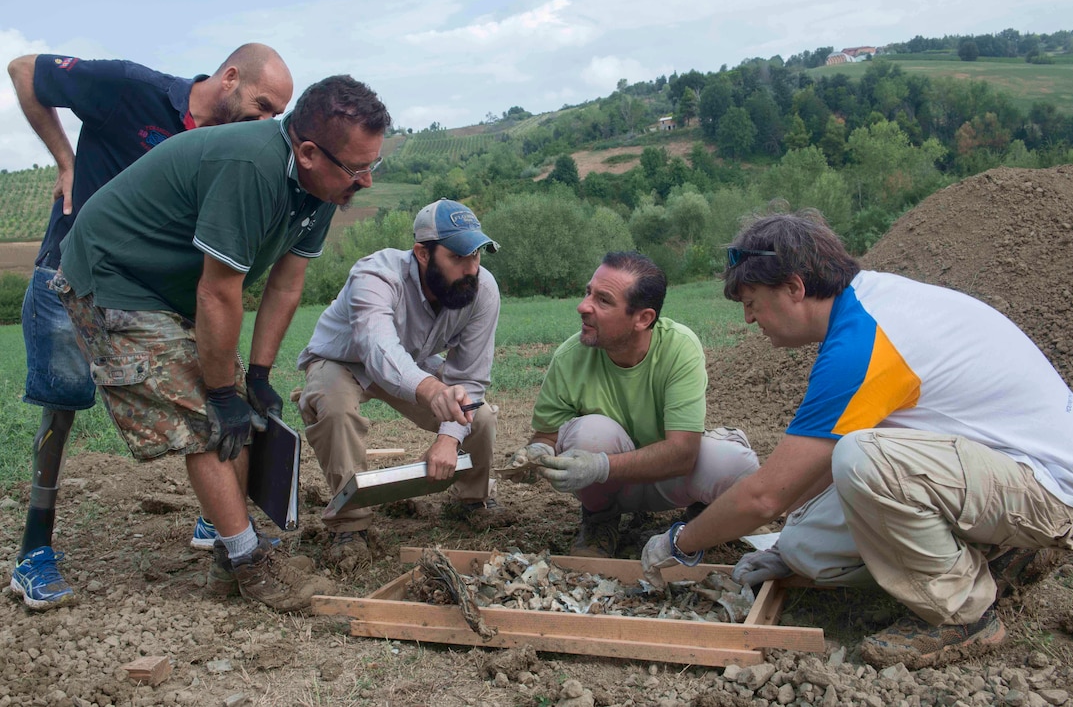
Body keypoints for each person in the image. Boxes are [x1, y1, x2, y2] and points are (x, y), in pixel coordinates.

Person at [640, 211, 1073, 668]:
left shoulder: (865, 339)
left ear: (795, 287)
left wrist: (681, 542)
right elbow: (802, 475)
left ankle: (963, 615)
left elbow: (766, 496)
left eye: (752, 301)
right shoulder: (863, 303)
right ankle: (992, 551)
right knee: (805, 548)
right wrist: (785, 550)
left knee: (863, 457)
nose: (750, 318)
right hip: (995, 468)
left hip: (1052, 486)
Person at [53, 74, 392, 612]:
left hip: (176, 289)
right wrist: (220, 392)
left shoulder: (324, 186)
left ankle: (229, 555)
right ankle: (248, 562)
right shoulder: (251, 169)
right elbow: (218, 292)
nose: (367, 181)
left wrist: (255, 376)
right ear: (307, 152)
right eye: (357, 168)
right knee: (205, 417)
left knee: (240, 409)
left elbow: (286, 283)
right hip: (114, 277)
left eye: (373, 165)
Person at [8, 43, 294, 611]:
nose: (267, 123)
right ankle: (34, 552)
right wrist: (66, 163)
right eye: (262, 106)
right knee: (61, 407)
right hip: (78, 271)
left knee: (217, 394)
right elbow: (24, 71)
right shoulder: (128, 88)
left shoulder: (236, 150)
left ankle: (220, 522)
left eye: (276, 116)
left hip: (161, 296)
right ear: (230, 77)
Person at [295, 199, 503, 571]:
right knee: (335, 407)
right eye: (458, 257)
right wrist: (433, 391)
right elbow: (377, 348)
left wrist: (447, 438)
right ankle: (350, 526)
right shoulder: (375, 275)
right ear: (423, 253)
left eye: (477, 256)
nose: (472, 269)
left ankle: (472, 500)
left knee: (479, 416)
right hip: (344, 360)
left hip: (413, 362)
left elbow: (469, 376)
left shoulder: (481, 290)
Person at [512, 251, 760, 557]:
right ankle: (600, 521)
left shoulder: (678, 347)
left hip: (669, 478)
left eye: (603, 300)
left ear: (643, 319)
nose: (583, 306)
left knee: (740, 469)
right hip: (609, 488)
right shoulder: (569, 357)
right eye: (588, 292)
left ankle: (701, 516)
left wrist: (600, 466)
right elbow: (547, 435)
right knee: (589, 433)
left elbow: (683, 453)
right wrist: (540, 451)